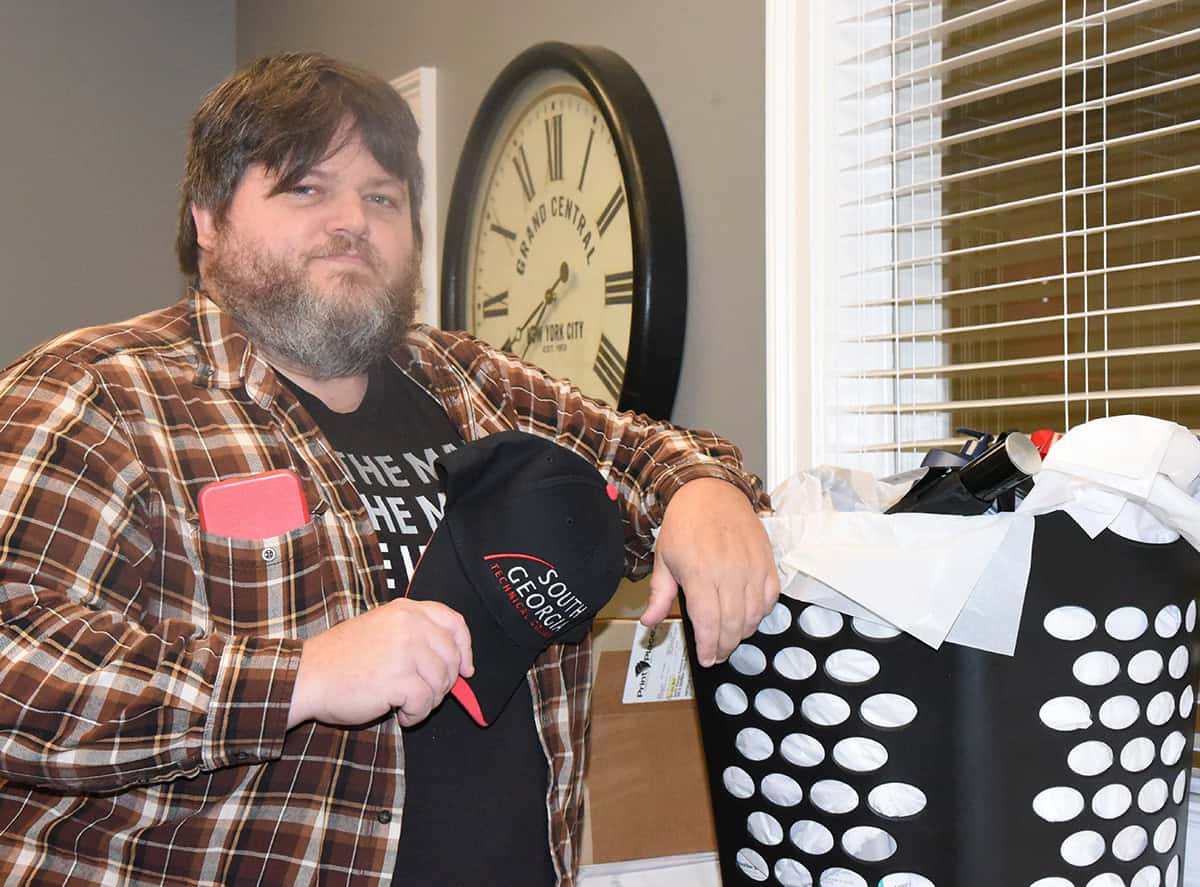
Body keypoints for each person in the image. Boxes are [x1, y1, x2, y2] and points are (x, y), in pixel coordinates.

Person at [0, 52, 777, 886]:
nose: (352, 221)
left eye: (382, 197)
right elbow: (17, 667)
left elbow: (640, 451)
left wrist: (702, 489)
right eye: (307, 188)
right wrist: (301, 677)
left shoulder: (471, 380)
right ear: (207, 220)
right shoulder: (96, 394)